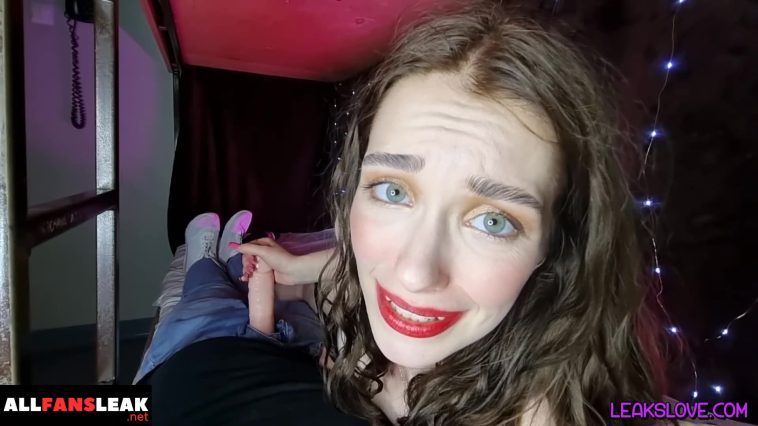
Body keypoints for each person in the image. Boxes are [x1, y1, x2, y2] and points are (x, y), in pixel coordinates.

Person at [232, 2, 680, 425]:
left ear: (557, 243)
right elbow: (347, 270)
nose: (414, 274)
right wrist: (295, 268)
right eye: (393, 192)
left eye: (492, 221)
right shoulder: (361, 299)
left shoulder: (542, 411)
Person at [133, 210, 324, 384]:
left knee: (209, 302)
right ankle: (235, 262)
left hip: (194, 354)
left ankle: (204, 263)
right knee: (292, 312)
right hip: (288, 352)